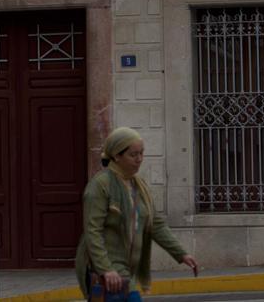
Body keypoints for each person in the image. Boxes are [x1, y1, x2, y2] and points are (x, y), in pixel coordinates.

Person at [74, 127, 199, 301]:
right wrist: (105, 268)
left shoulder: (138, 186)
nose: (139, 159)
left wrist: (181, 253)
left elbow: (155, 224)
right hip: (108, 271)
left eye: (142, 153)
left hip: (127, 271)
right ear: (117, 156)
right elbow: (92, 232)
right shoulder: (100, 185)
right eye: (133, 155)